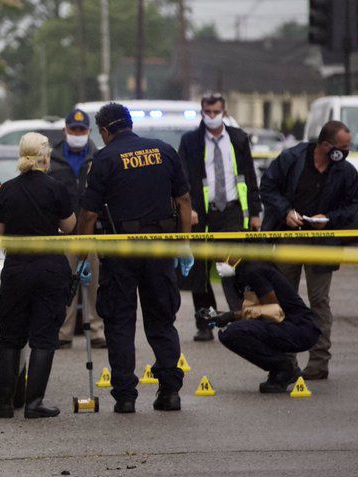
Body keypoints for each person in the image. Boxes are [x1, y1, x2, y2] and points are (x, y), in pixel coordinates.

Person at [78, 102, 194, 413]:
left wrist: (82, 257)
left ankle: (126, 397)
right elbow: (183, 200)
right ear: (129, 123)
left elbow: (89, 215)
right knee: (161, 321)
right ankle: (170, 393)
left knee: (119, 324)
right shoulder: (163, 151)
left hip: (121, 254)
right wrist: (184, 244)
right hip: (159, 249)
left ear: (104, 131)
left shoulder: (103, 159)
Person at [259, 120, 358, 380]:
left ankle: (319, 363)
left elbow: (352, 206)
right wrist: (286, 212)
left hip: (323, 241)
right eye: (343, 146)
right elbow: (267, 188)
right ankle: (285, 362)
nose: (346, 151)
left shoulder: (345, 171)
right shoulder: (292, 159)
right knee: (284, 299)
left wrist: (330, 218)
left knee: (319, 302)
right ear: (325, 145)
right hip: (289, 237)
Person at [0, 132, 76, 419]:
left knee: (10, 336)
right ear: (46, 157)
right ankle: (34, 403)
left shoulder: (7, 191)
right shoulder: (57, 188)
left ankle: (3, 403)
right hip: (49, 270)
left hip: (16, 270)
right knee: (43, 337)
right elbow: (69, 225)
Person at [178, 93, 262, 342]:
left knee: (230, 267)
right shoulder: (191, 141)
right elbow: (183, 178)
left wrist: (256, 212)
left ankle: (239, 318)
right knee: (200, 272)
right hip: (202, 213)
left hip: (233, 212)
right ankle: (205, 323)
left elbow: (250, 175)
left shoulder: (238, 139)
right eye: (207, 111)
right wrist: (188, 209)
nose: (211, 116)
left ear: (224, 112)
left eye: (215, 111)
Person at [198, 259, 321, 393]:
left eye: (220, 255)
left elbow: (273, 311)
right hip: (290, 325)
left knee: (232, 332)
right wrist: (219, 316)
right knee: (229, 332)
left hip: (301, 328)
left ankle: (284, 368)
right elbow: (251, 310)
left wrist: (231, 316)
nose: (218, 261)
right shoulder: (241, 273)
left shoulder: (254, 270)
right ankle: (281, 368)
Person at [48, 108, 106, 349]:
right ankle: (64, 331)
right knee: (64, 284)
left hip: (91, 230)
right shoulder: (52, 157)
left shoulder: (98, 156)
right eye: (74, 129)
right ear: (65, 130)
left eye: (82, 130)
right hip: (63, 232)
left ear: (89, 131)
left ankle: (96, 330)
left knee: (94, 284)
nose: (78, 133)